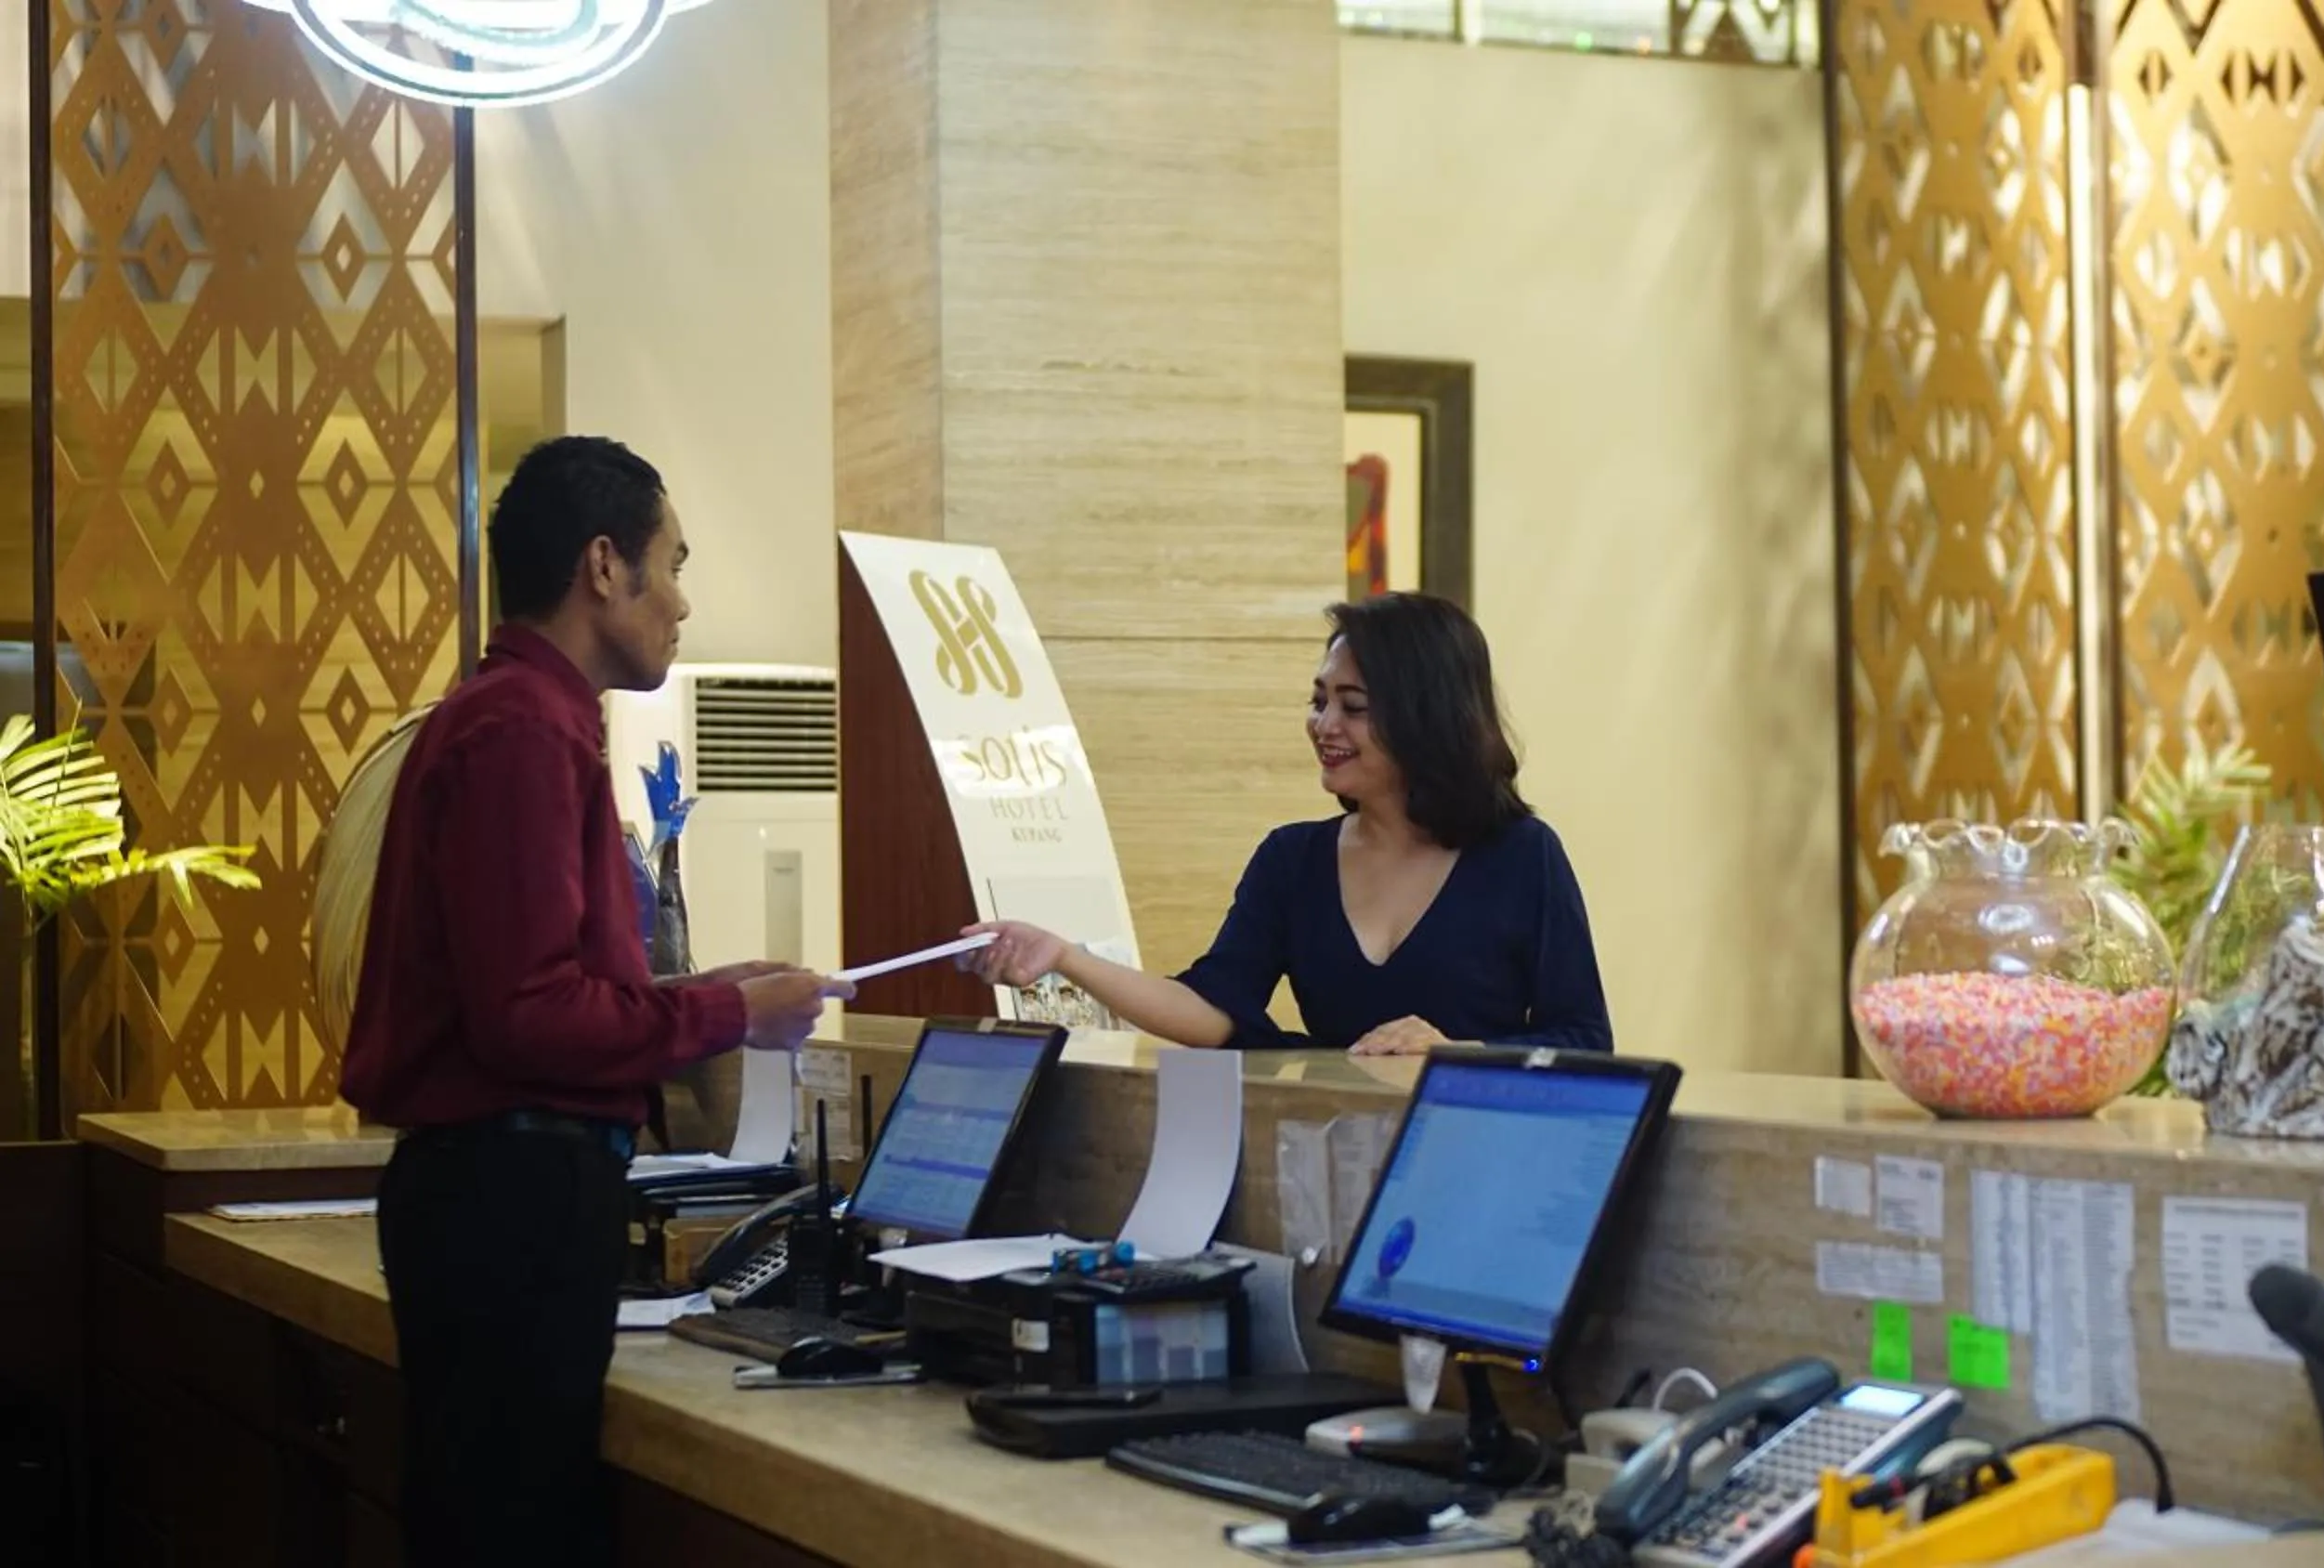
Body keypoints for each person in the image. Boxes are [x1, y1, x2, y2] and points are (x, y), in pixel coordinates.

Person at [339, 436, 851, 1568]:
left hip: (496, 1195)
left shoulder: (514, 712)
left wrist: (686, 990)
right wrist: (734, 1020)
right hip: (508, 1197)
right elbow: (524, 1017)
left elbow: (538, 986)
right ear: (605, 566)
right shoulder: (523, 725)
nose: (683, 601)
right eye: (673, 562)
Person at [968, 593, 1611, 1054]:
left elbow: (1583, 1041)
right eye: (1318, 700)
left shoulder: (1522, 855)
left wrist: (1458, 1053)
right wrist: (1066, 957)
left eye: (1352, 707)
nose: (1324, 726)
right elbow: (1215, 1008)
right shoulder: (1291, 860)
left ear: (1425, 717)